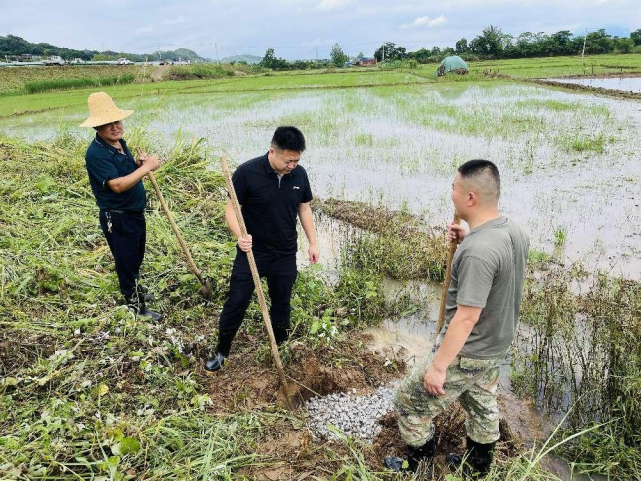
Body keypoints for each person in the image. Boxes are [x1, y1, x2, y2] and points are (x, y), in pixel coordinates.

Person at [388, 159, 529, 476]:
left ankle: (420, 466)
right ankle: (478, 468)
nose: (451, 193)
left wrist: (438, 368)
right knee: (481, 403)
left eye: (454, 188)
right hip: (495, 345)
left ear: (470, 197)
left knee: (408, 402)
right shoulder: (514, 231)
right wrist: (469, 236)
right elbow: (499, 269)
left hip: (467, 350)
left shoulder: (478, 250)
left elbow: (466, 319)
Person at [205, 126, 319, 373]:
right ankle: (222, 351)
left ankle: (281, 348)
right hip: (252, 253)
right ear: (272, 152)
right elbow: (231, 209)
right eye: (288, 161)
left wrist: (313, 242)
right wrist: (240, 236)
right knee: (236, 302)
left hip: (285, 253)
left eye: (296, 161)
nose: (292, 166)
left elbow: (304, 208)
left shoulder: (299, 175)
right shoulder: (247, 173)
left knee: (282, 304)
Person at [80, 91, 162, 320]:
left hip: (133, 213)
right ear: (96, 127)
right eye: (107, 124)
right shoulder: (96, 153)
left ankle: (136, 291)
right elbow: (116, 185)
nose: (114, 127)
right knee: (126, 261)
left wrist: (136, 164)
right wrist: (146, 168)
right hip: (118, 217)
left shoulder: (119, 144)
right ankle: (136, 307)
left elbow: (124, 172)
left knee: (135, 257)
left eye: (117, 121)